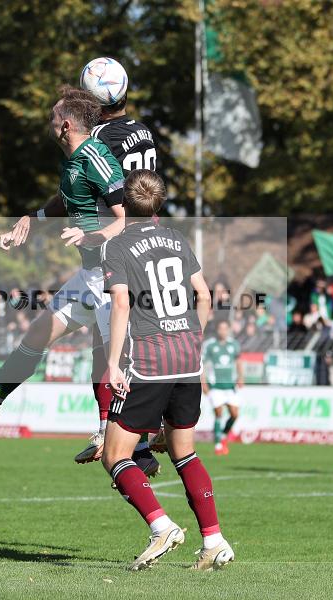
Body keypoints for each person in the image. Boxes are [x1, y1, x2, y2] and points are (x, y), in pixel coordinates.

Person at [0, 87, 130, 457]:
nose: (49, 121)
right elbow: (67, 200)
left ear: (66, 125)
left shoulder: (95, 157)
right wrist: (32, 218)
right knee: (39, 332)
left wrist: (90, 234)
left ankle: (132, 444)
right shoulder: (73, 161)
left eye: (53, 115)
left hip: (111, 275)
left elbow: (126, 220)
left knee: (113, 362)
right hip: (89, 274)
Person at [101, 169, 232, 570]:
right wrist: (194, 338)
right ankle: (214, 541)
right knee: (184, 452)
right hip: (188, 358)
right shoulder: (176, 238)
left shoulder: (116, 246)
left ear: (124, 202)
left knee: (114, 454)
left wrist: (113, 363)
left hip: (150, 360)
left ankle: (162, 527)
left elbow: (121, 303)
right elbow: (203, 295)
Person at [84, 58, 162, 475]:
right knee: (135, 337)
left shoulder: (98, 136)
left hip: (116, 241)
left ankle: (123, 436)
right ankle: (146, 433)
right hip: (151, 236)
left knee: (109, 343)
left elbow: (91, 185)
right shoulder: (144, 131)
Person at [202, 319, 243, 455]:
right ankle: (218, 444)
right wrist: (203, 382)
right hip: (215, 386)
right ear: (217, 330)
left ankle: (224, 435)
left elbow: (238, 361)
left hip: (230, 386)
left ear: (228, 330)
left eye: (225, 329)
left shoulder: (233, 344)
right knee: (218, 413)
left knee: (234, 414)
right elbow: (201, 364)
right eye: (221, 328)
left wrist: (241, 377)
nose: (223, 331)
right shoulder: (210, 345)